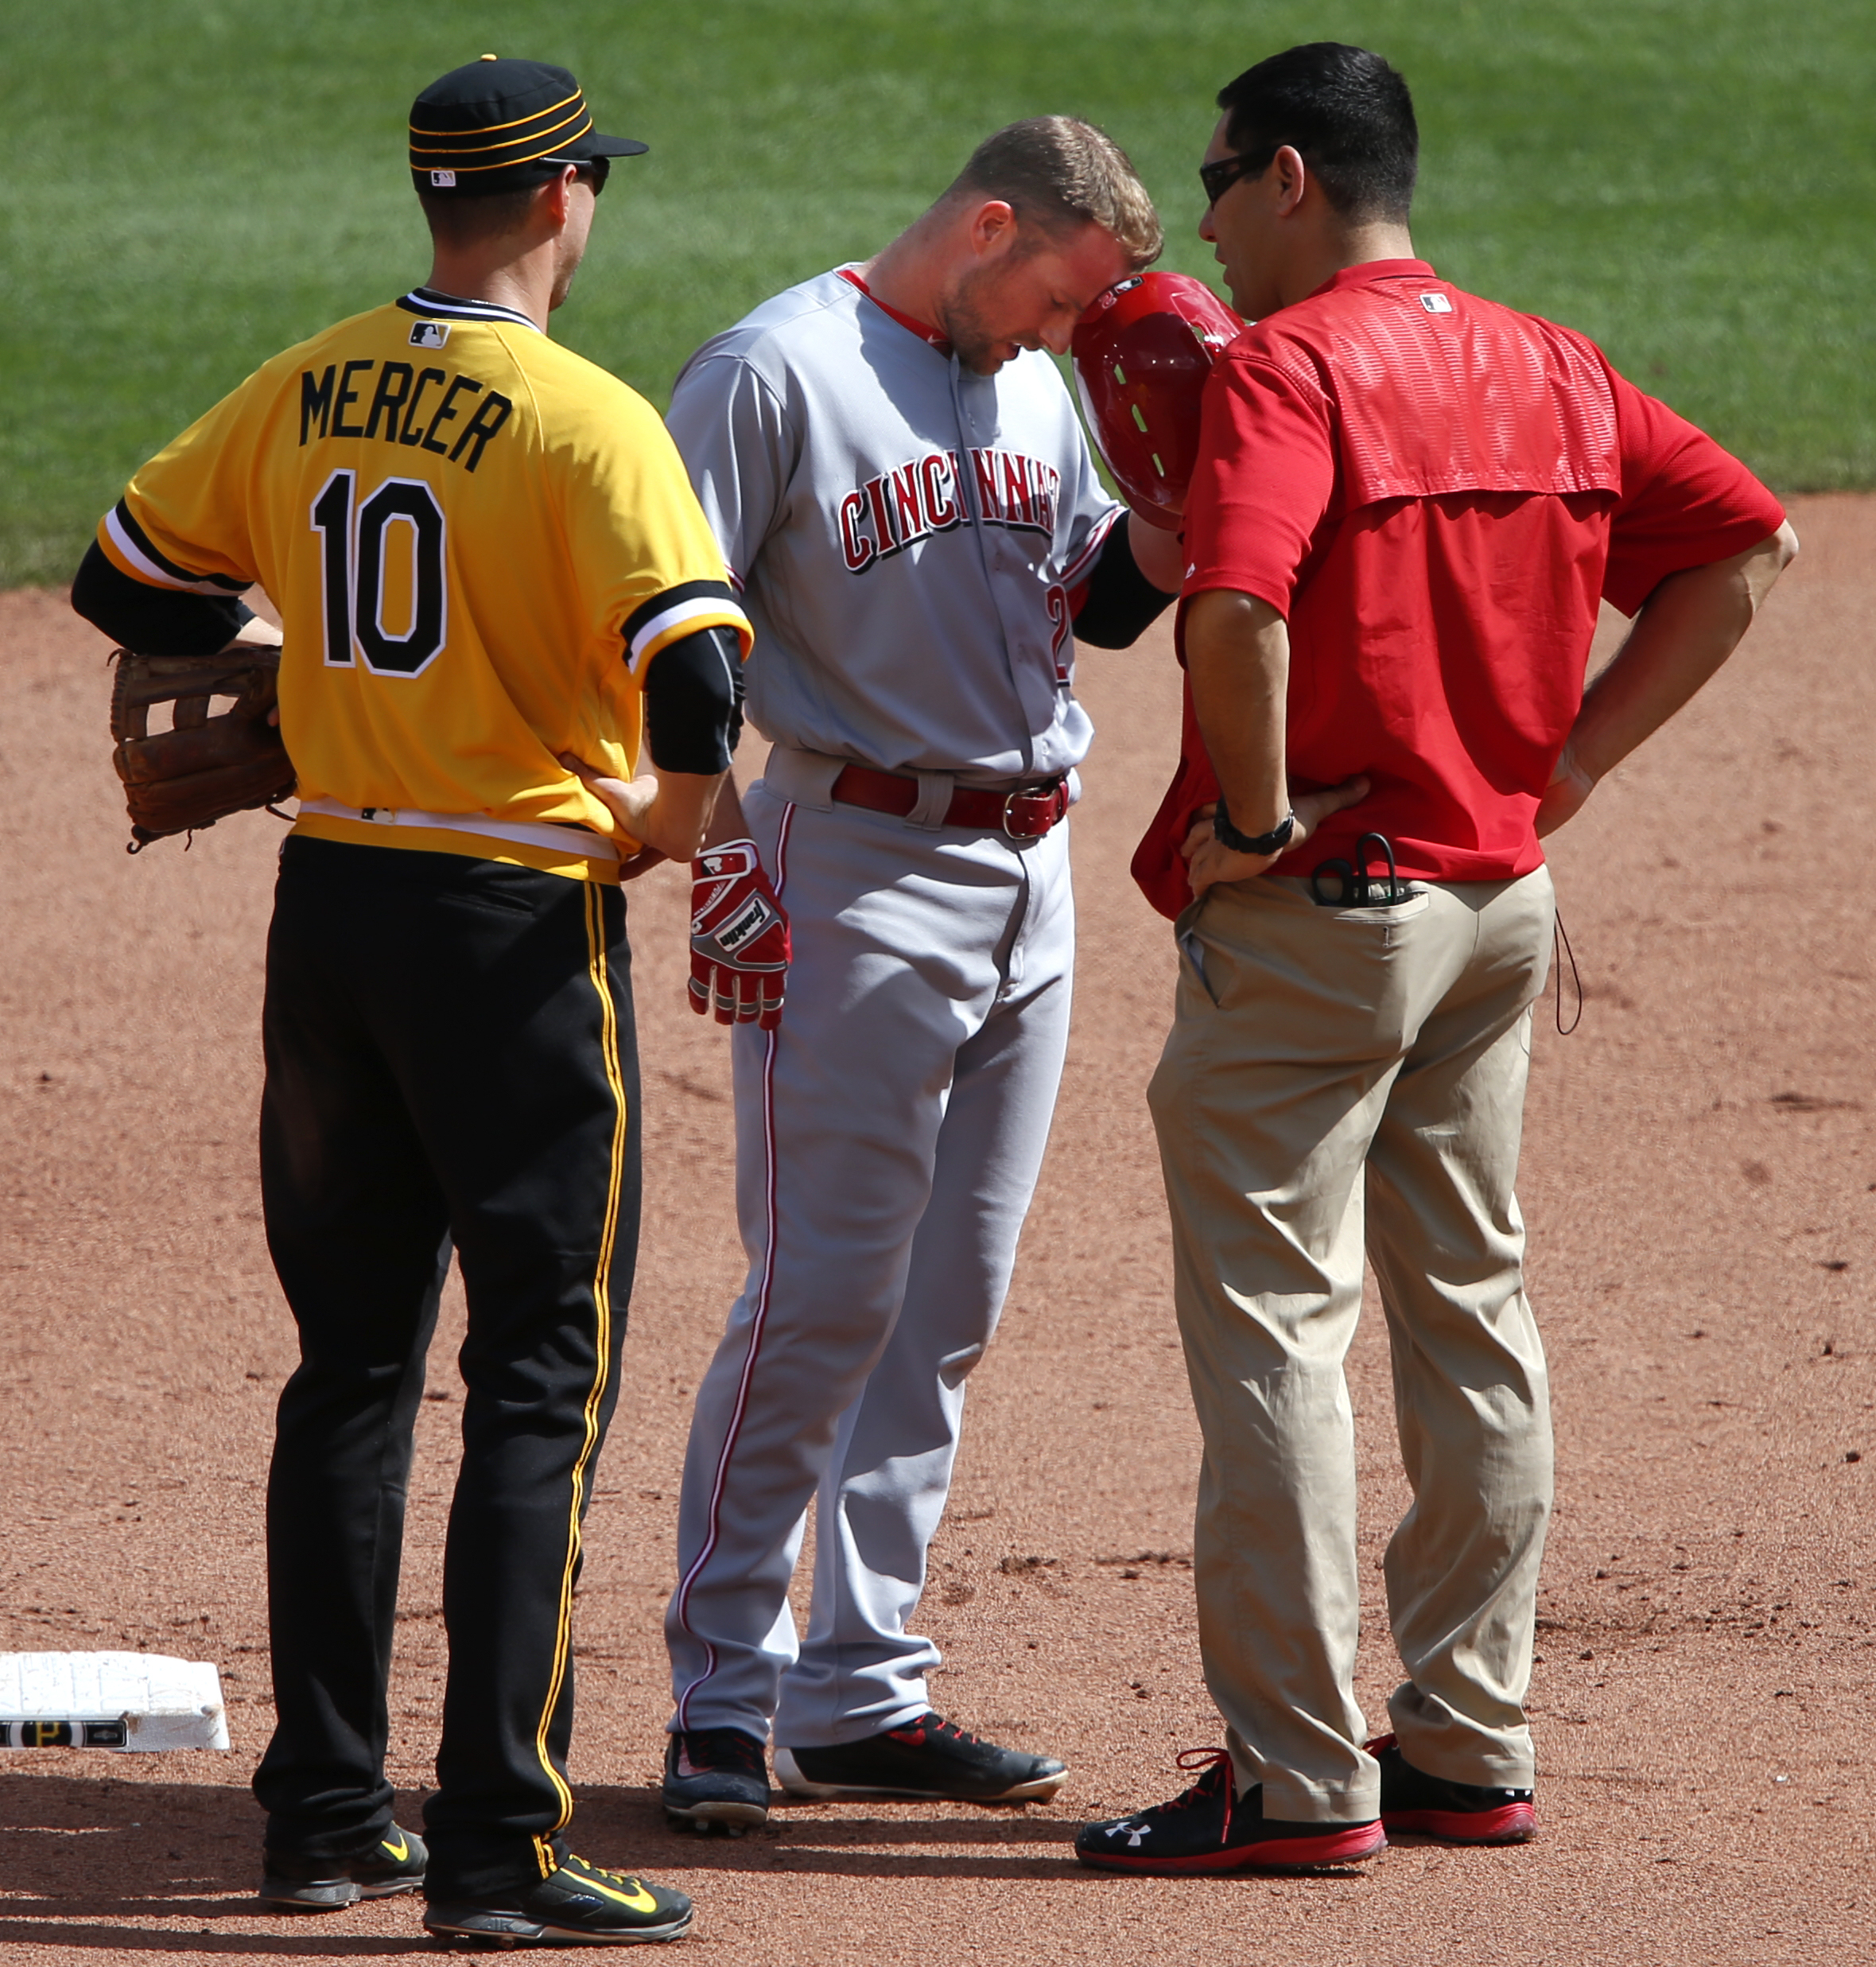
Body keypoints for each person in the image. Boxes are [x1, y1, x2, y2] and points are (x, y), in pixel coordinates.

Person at [1076, 43, 1796, 1875]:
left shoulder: (1290, 368)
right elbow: (1745, 546)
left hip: (1325, 917)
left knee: (1275, 1325)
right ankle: (1468, 1744)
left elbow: (1233, 610)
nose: (1205, 224)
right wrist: (1572, 767)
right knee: (1471, 1308)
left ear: (1291, 176)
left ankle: (1294, 1776)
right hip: (1496, 904)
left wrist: (1252, 820)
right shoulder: (1552, 362)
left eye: (1217, 179)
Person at [70, 56, 755, 1946]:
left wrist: (293, 646)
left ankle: (322, 1818)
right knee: (538, 1373)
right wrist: (664, 829)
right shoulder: (588, 419)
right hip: (510, 935)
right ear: (557, 200)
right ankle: (499, 1848)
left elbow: (125, 580)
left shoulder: (307, 380)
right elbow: (698, 687)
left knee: (351, 1365)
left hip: (334, 918)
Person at [652, 118, 1186, 1832]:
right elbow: (668, 633)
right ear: (987, 228)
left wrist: (1179, 513)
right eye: (1059, 299)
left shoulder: (1038, 384)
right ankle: (721, 1696)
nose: (1070, 337)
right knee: (820, 1290)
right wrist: (719, 851)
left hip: (1034, 869)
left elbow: (1094, 601)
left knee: (947, 1300)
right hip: (853, 863)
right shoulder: (772, 373)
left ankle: (859, 1689)